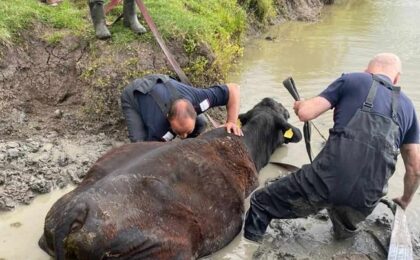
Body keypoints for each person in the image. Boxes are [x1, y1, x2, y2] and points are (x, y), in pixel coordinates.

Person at [243, 53, 420, 242]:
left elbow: (305, 112)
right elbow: (415, 169)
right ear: (397, 78)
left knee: (261, 203)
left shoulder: (351, 80)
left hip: (324, 181)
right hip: (367, 197)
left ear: (367, 71)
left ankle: (249, 247)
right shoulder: (409, 108)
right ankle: (342, 237)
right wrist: (405, 200)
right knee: (345, 225)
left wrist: (302, 105)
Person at [120, 74, 243, 142]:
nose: (183, 136)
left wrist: (231, 121)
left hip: (161, 81)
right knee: (139, 147)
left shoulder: (200, 99)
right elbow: (150, 154)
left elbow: (233, 89)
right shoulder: (158, 128)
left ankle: (189, 146)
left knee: (201, 123)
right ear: (168, 119)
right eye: (178, 132)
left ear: (195, 111)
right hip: (134, 95)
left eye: (187, 132)